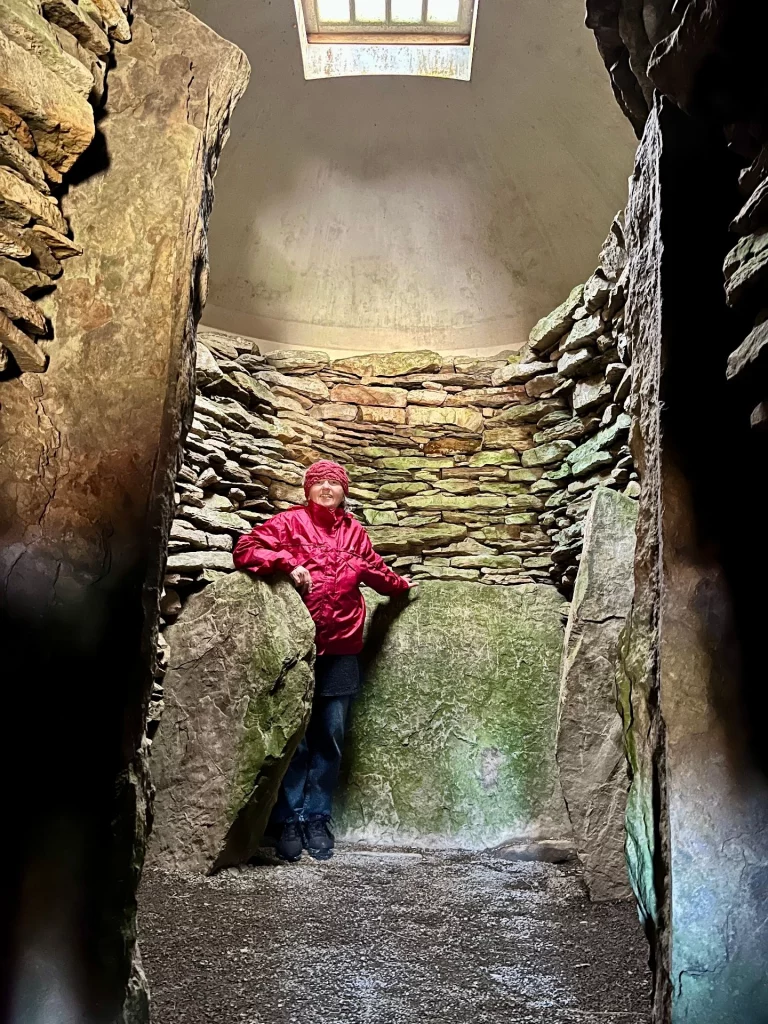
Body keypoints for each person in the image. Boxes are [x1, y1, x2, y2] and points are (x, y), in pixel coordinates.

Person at [232, 459, 417, 861]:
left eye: (334, 482)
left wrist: (402, 586)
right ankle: (287, 819)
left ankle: (316, 817)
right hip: (298, 651)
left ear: (344, 491)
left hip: (342, 650)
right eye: (319, 482)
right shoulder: (289, 523)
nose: (327, 488)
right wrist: (288, 563)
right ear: (308, 490)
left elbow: (374, 570)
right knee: (295, 739)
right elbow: (245, 550)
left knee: (330, 736)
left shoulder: (354, 532)